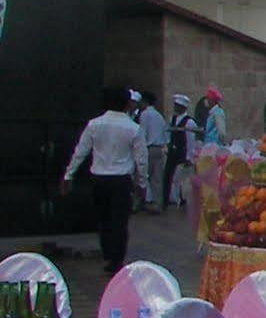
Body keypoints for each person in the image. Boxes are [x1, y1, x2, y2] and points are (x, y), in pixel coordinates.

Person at [62, 87, 147, 273]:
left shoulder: (94, 125)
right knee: (120, 220)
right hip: (121, 180)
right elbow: (141, 159)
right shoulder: (133, 128)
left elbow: (81, 151)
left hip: (99, 178)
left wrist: (69, 175)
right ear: (127, 104)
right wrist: (142, 184)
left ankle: (108, 253)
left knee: (104, 218)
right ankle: (117, 258)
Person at [136, 90, 169, 213]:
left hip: (148, 148)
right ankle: (157, 204)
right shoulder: (159, 115)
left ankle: (138, 202)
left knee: (142, 176)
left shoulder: (145, 115)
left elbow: (142, 133)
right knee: (157, 178)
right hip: (159, 148)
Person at [164, 94, 194, 209]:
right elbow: (168, 133)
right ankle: (165, 200)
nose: (176, 108)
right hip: (173, 151)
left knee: (182, 178)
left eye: (178, 106)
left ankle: (183, 200)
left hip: (182, 151)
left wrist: (189, 156)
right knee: (167, 175)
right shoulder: (172, 119)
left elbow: (190, 140)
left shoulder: (189, 122)